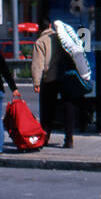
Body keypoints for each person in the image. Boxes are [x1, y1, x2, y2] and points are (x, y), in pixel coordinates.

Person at [31, 19, 77, 148]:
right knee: (68, 106)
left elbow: (37, 64)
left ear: (39, 29)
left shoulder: (40, 42)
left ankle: (45, 137)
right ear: (50, 26)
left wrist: (36, 82)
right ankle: (69, 139)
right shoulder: (61, 38)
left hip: (49, 78)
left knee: (47, 109)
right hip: (65, 76)